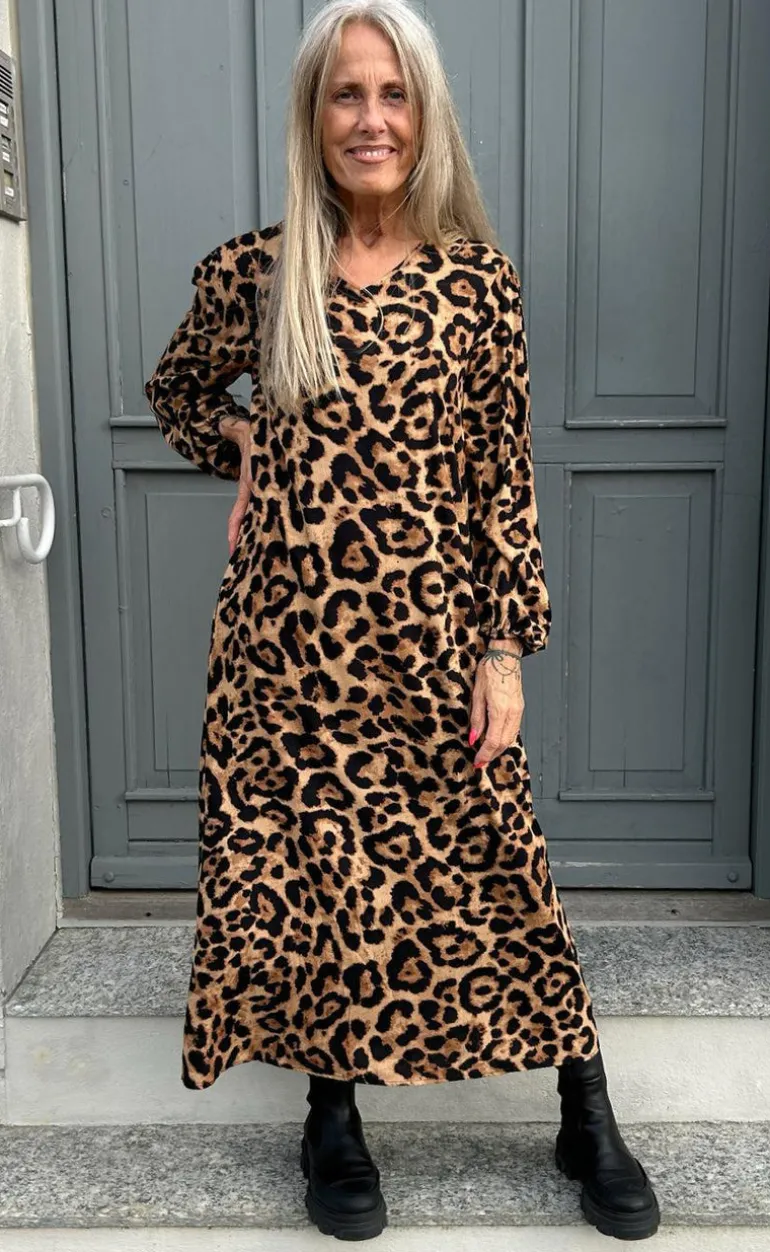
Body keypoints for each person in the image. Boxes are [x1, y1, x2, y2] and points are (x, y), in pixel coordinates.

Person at [144, 0, 660, 1242]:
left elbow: (500, 479)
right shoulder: (256, 271)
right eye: (345, 93)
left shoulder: (477, 284)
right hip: (286, 650)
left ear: (423, 117)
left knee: (498, 862)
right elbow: (176, 393)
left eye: (392, 94)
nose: (369, 119)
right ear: (311, 116)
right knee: (322, 874)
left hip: (431, 639)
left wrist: (503, 651)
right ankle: (331, 1112)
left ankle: (582, 1107)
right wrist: (248, 446)